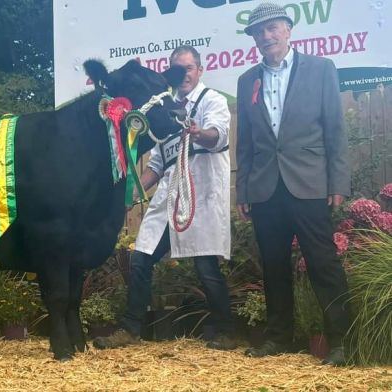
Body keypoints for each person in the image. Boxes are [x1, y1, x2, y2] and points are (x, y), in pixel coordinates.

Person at [94, 45, 234, 351]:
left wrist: (199, 132)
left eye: (188, 68)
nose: (183, 74)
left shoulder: (212, 101)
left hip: (201, 198)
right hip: (169, 199)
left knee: (205, 266)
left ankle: (226, 331)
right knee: (141, 258)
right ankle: (130, 329)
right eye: (177, 68)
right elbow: (156, 165)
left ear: (199, 70)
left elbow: (218, 135)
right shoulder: (166, 108)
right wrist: (132, 191)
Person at [236, 3, 350, 366]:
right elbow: (247, 142)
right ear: (253, 38)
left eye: (272, 28)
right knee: (273, 266)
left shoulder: (320, 69)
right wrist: (243, 189)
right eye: (258, 32)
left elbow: (335, 129)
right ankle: (279, 338)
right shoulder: (246, 80)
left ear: (288, 29)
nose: (265, 36)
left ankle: (340, 342)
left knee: (323, 264)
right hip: (265, 187)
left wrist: (338, 181)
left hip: (310, 182)